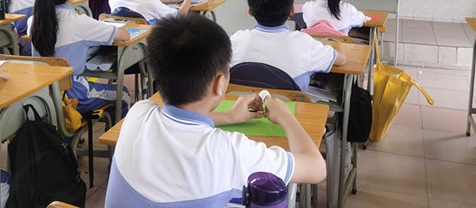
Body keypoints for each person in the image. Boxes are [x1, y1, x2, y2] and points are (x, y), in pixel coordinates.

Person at [105, 13, 326, 208]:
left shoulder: (138, 114)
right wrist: (285, 116)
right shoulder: (230, 152)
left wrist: (229, 117)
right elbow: (316, 168)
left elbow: (180, 121)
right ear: (220, 83)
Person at [27, 0, 131, 119]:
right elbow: (124, 35)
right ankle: (113, 134)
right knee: (123, 95)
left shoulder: (33, 22)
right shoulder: (80, 22)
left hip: (42, 94)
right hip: (73, 95)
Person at [230, 0, 345, 92]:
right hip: (290, 104)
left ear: (250, 11)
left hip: (240, 103)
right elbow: (341, 60)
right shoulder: (304, 43)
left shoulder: (235, 41)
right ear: (292, 11)